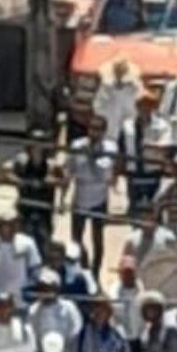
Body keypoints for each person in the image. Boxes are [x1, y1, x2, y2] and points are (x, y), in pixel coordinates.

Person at [63, 113, 117, 281]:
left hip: (99, 198)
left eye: (99, 130)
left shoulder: (110, 148)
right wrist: (62, 195)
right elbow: (68, 170)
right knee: (76, 238)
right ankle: (84, 267)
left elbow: (105, 173)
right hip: (80, 196)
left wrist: (92, 157)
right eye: (92, 129)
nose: (95, 133)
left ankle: (95, 273)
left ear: (104, 132)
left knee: (98, 239)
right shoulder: (77, 145)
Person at [119, 88, 173, 217]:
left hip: (152, 171)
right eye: (141, 105)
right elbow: (121, 149)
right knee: (134, 205)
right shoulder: (127, 125)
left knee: (153, 205)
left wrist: (150, 146)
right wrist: (117, 171)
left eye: (148, 105)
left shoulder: (162, 126)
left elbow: (166, 146)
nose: (145, 108)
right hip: (133, 171)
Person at [3, 129, 59, 252]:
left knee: (44, 243)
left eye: (40, 142)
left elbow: (62, 179)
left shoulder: (50, 163)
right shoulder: (21, 160)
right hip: (26, 207)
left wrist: (49, 181)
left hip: (44, 209)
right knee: (25, 243)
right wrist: (20, 181)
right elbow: (7, 173)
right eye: (34, 142)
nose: (37, 145)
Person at [0, 211, 42, 310]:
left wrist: (30, 294)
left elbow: (35, 269)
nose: (10, 228)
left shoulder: (28, 244)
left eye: (14, 224)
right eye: (6, 225)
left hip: (20, 301)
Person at [95, 57, 141, 143]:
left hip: (127, 118)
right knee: (110, 140)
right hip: (110, 119)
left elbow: (138, 98)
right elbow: (98, 105)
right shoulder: (106, 87)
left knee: (129, 133)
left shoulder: (132, 86)